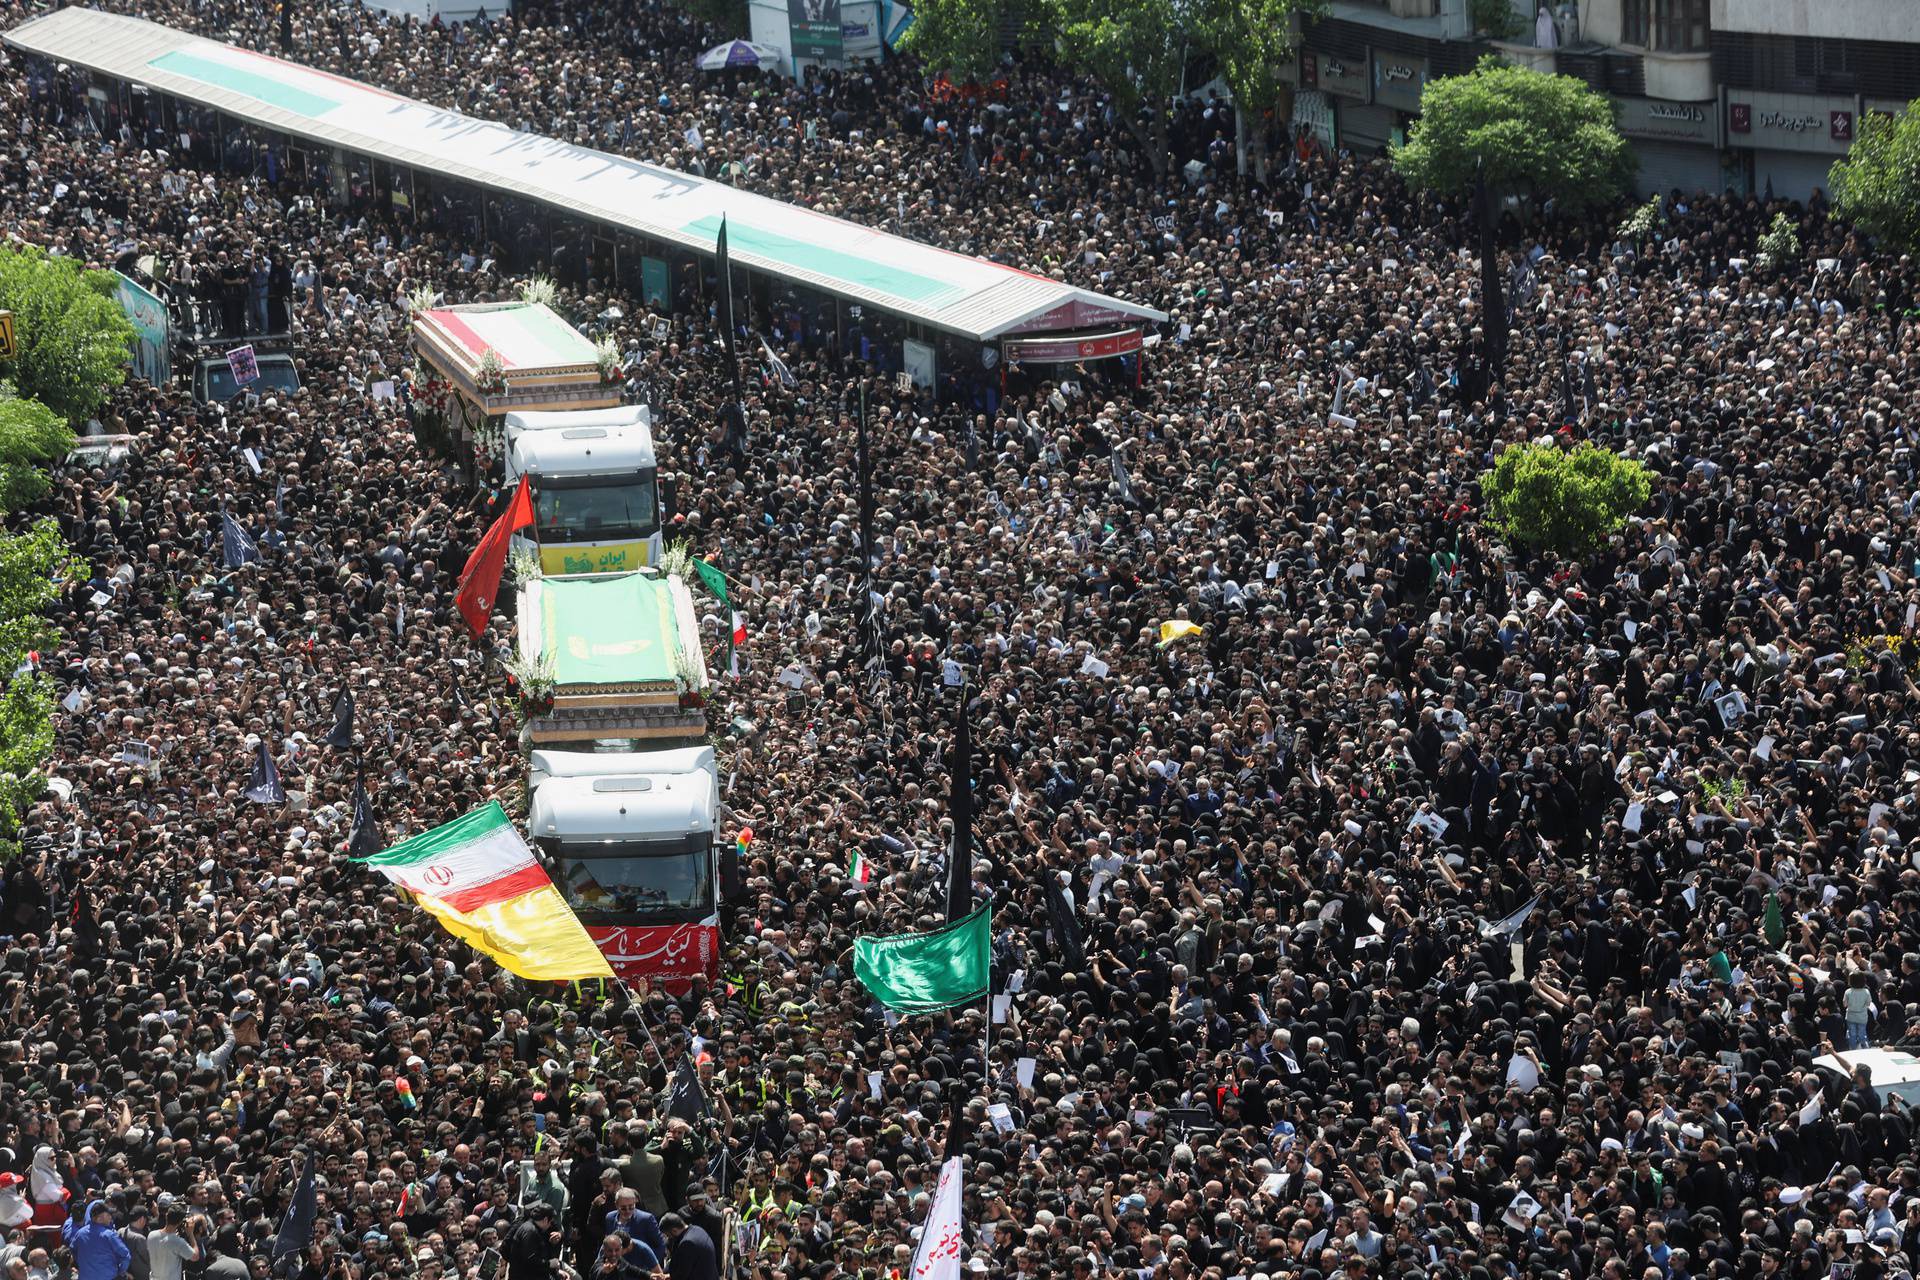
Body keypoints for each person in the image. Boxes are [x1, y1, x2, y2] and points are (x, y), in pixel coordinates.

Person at [62, 1201, 131, 1280]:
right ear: (99, 1219)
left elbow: (73, 1251)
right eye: (108, 1215)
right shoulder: (109, 1235)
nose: (110, 1217)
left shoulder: (80, 1233)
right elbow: (125, 1256)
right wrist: (120, 1272)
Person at [658, 1215, 717, 1280]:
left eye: (668, 1235)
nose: (668, 1238)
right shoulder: (697, 1229)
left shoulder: (687, 1244)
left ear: (674, 1231)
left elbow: (681, 1275)